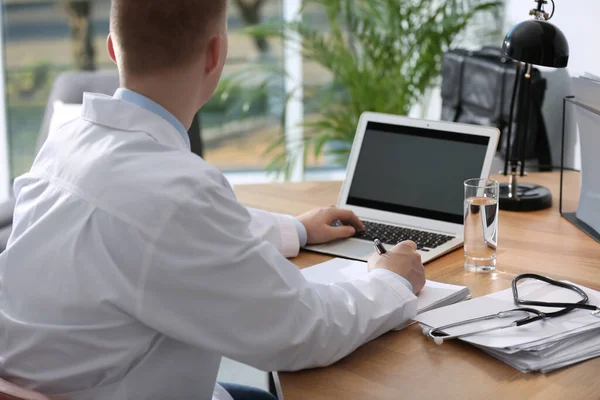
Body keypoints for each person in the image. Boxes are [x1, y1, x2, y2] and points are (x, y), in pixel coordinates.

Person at [0, 1, 426, 399]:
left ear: (113, 48)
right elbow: (302, 331)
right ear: (215, 54)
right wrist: (392, 281)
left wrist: (293, 229)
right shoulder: (176, 194)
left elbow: (151, 228)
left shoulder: (67, 144)